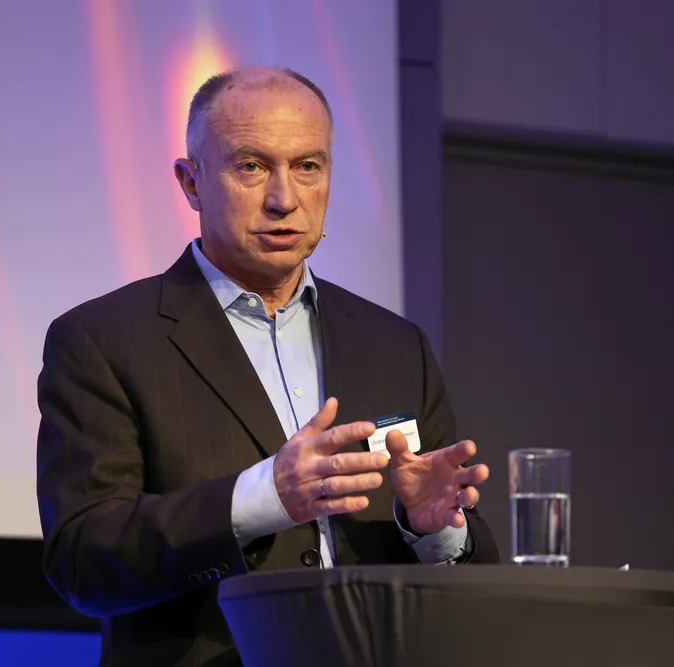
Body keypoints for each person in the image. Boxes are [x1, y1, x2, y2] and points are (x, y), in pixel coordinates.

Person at [36, 66, 500, 667]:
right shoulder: (103, 339)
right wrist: (262, 497)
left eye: (307, 166)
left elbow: (465, 571)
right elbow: (83, 560)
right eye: (252, 166)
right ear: (191, 182)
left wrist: (432, 527)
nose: (284, 199)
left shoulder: (395, 344)